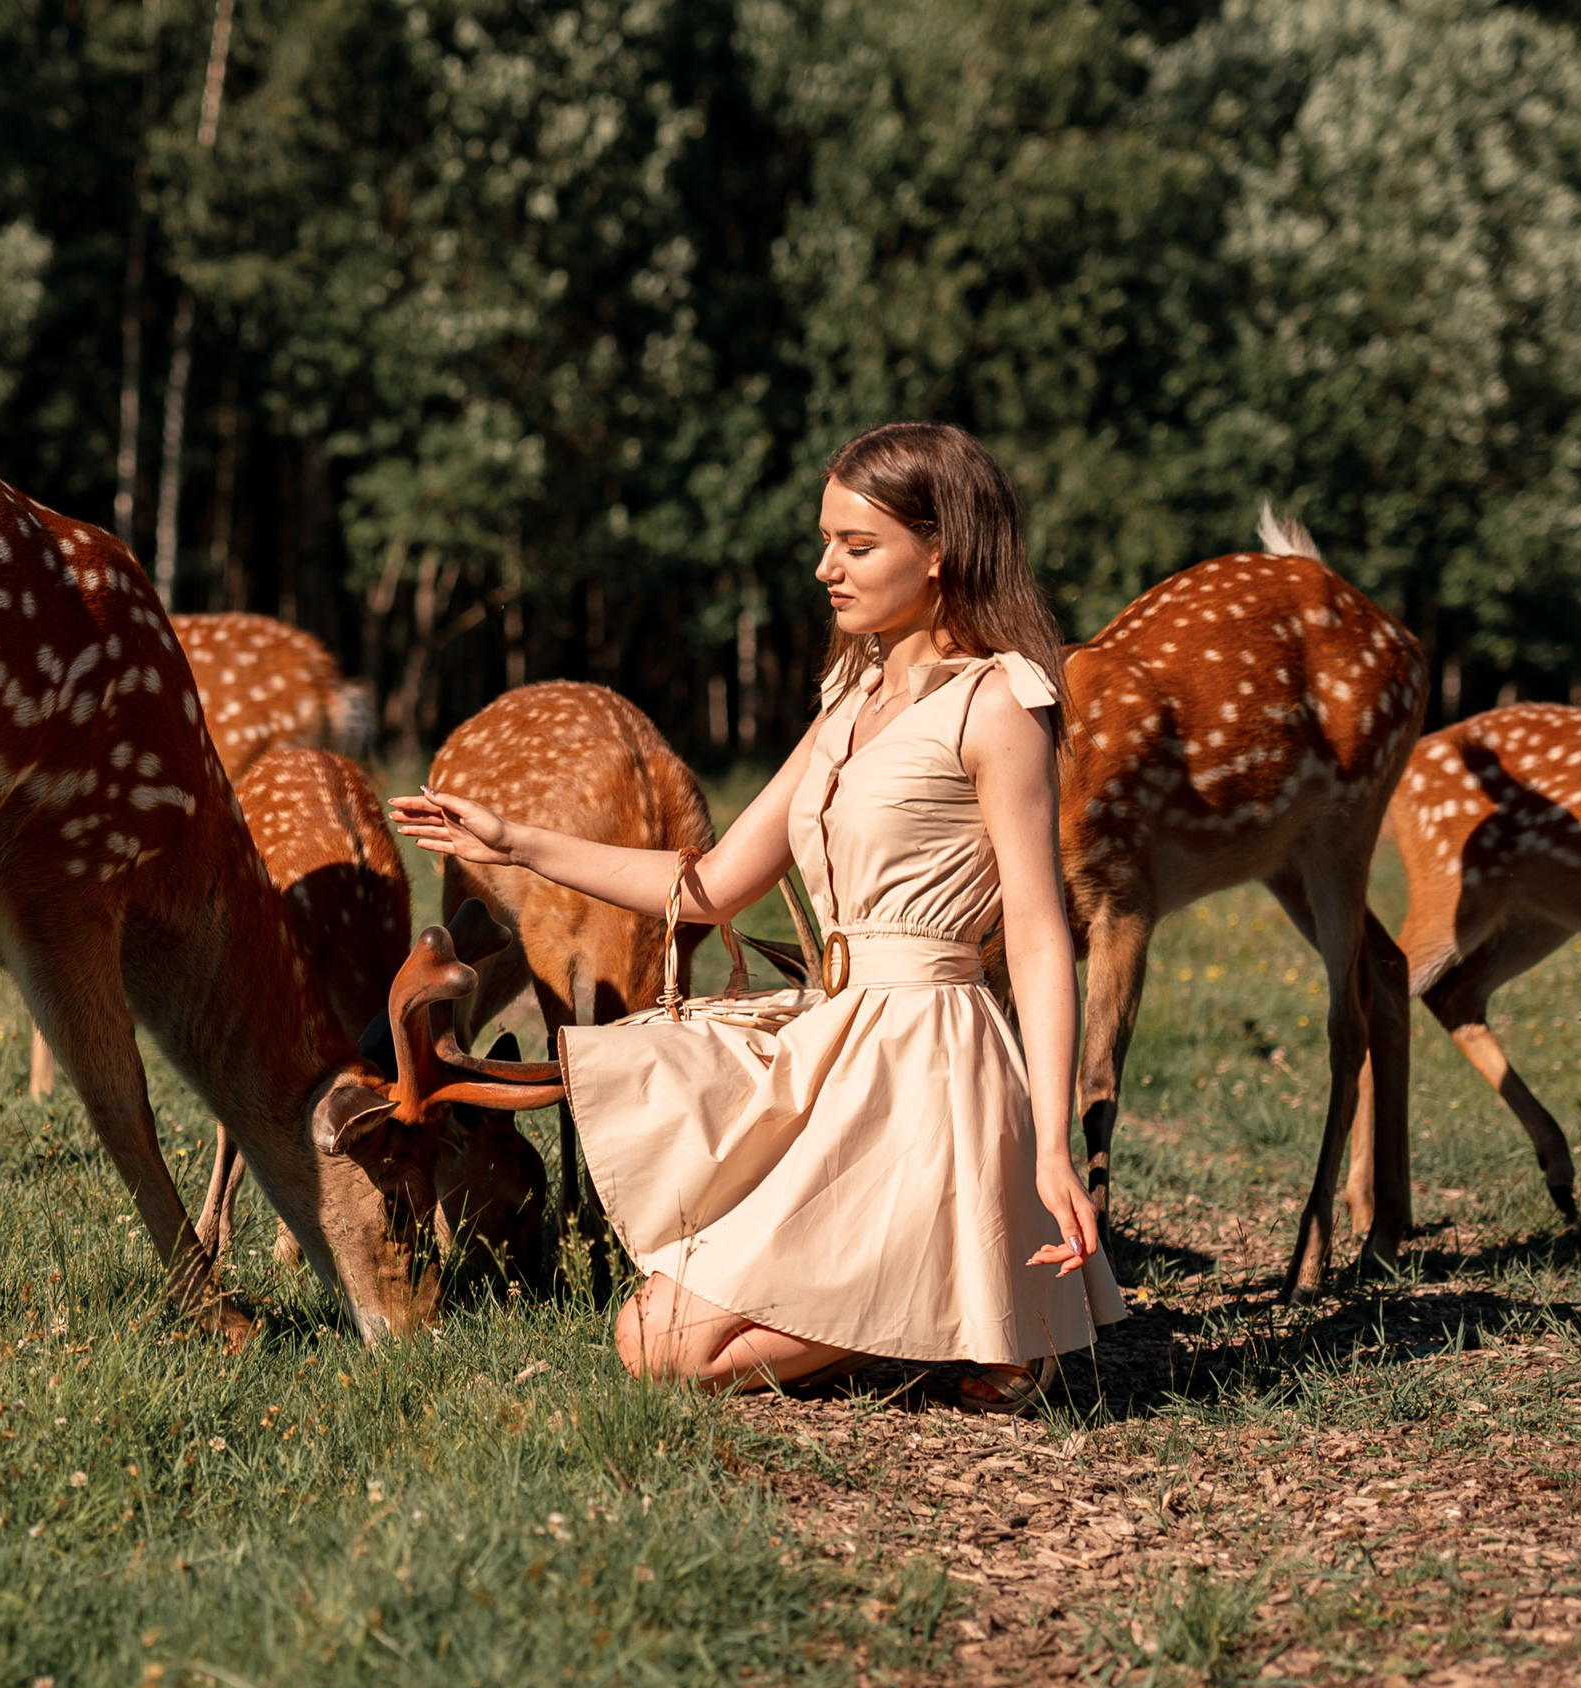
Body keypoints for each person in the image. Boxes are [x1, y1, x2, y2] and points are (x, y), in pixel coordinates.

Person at [391, 422, 1126, 1411]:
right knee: (644, 1332)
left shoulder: (996, 706)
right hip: (835, 1046)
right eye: (824, 541)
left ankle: (960, 1310)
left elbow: (1037, 936)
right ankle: (949, 1313)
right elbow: (708, 885)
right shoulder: (848, 699)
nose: (825, 567)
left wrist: (1047, 1144)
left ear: (940, 548)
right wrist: (511, 840)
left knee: (670, 1354)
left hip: (930, 1070)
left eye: (856, 546)